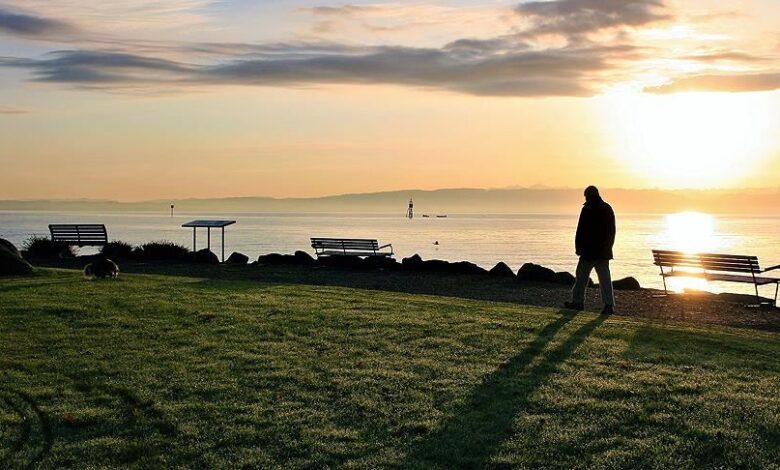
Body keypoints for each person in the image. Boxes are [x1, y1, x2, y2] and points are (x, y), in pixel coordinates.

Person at [564, 186, 616, 315]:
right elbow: (611, 231)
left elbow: (580, 230)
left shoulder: (587, 209)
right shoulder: (606, 208)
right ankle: (608, 305)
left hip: (588, 251)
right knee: (604, 279)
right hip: (601, 252)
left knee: (581, 277)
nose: (585, 198)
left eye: (586, 196)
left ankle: (578, 302)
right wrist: (608, 247)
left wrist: (578, 247)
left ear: (588, 196)